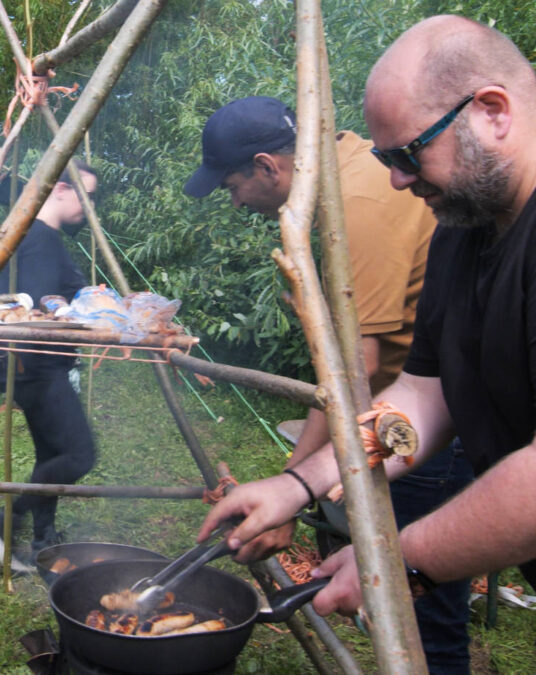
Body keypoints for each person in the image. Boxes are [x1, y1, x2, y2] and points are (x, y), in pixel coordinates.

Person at [200, 14, 536, 628]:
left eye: (410, 152)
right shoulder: (463, 233)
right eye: (385, 156)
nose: (398, 179)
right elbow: (420, 397)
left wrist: (405, 557)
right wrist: (298, 485)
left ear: (493, 111)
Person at [184, 96, 473, 672]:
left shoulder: (359, 202)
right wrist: (296, 487)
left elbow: (352, 370)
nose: (238, 203)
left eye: (233, 186)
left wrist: (294, 483)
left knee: (421, 617)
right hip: (405, 409)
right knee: (403, 594)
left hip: (424, 429)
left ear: (268, 166)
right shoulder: (352, 173)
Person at [0, 159, 98, 572]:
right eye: (85, 195)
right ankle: (1, 524)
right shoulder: (41, 238)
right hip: (40, 367)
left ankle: (44, 539)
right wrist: (80, 308)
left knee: (51, 455)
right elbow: (39, 303)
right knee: (79, 455)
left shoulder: (38, 236)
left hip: (31, 368)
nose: (88, 206)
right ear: (60, 189)